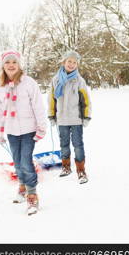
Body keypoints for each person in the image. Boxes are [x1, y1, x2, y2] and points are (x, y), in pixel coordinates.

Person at [0, 50, 47, 215]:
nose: (11, 65)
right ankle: (22, 187)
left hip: (29, 130)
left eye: (14, 62)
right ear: (3, 66)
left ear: (19, 65)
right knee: (17, 163)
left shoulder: (29, 83)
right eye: (8, 62)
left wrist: (41, 127)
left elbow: (38, 106)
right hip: (11, 131)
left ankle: (32, 195)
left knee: (25, 161)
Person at [48, 50, 92, 183]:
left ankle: (81, 170)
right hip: (62, 119)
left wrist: (86, 116)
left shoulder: (79, 81)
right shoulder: (55, 80)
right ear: (64, 62)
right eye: (69, 61)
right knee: (64, 144)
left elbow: (86, 100)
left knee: (78, 144)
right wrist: (51, 115)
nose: (71, 64)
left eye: (74, 62)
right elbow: (51, 99)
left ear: (77, 64)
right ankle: (66, 167)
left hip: (76, 118)